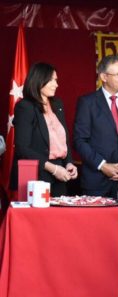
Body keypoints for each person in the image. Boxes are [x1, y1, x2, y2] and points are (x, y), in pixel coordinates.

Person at [74, 55, 118, 197]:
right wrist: (103, 166)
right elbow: (79, 140)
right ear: (104, 77)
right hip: (96, 182)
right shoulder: (87, 103)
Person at [10, 62, 77, 196]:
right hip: (37, 174)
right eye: (51, 80)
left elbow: (63, 139)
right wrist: (53, 169)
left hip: (61, 173)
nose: (56, 84)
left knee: (59, 215)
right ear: (38, 80)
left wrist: (69, 163)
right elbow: (22, 148)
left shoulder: (57, 104)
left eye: (56, 80)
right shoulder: (25, 107)